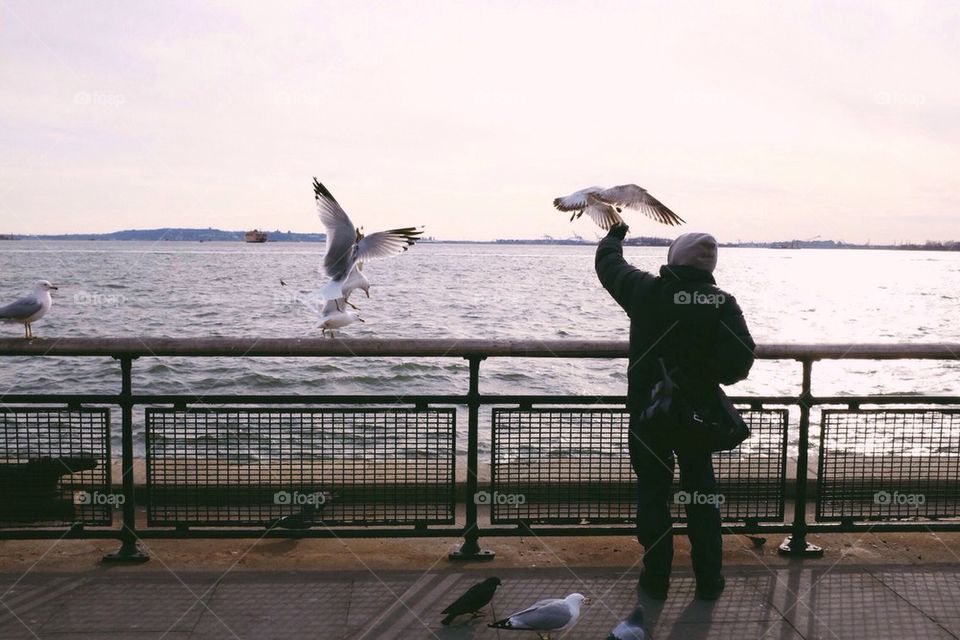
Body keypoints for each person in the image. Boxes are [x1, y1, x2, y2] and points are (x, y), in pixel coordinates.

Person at [595, 222, 755, 600]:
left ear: (673, 259)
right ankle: (709, 580)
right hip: (698, 419)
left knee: (653, 495)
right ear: (709, 267)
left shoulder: (647, 291)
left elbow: (608, 266)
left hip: (649, 416)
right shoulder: (721, 302)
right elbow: (739, 363)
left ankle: (655, 581)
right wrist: (702, 374)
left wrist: (615, 235)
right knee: (701, 496)